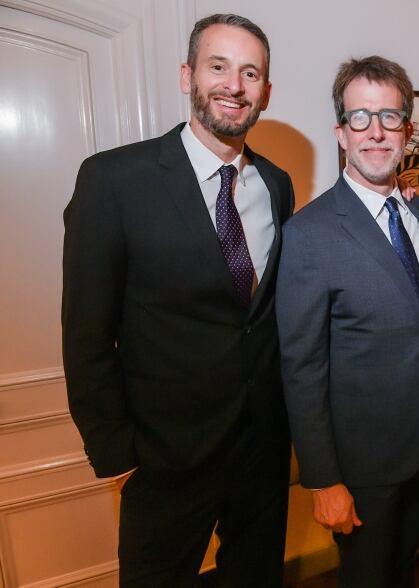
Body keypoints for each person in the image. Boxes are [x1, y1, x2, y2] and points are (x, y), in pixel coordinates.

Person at [62, 14, 294, 586]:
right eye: (218, 67)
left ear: (266, 90)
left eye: (250, 73)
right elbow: (85, 334)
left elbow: (261, 320)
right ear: (187, 75)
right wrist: (117, 453)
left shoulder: (279, 184)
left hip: (261, 453)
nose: (234, 86)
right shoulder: (113, 180)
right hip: (164, 459)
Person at [275, 56, 419, 587]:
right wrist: (323, 480)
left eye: (389, 117)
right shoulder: (309, 233)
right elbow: (301, 367)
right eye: (359, 118)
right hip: (363, 467)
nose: (376, 132)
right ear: (341, 133)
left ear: (408, 131)